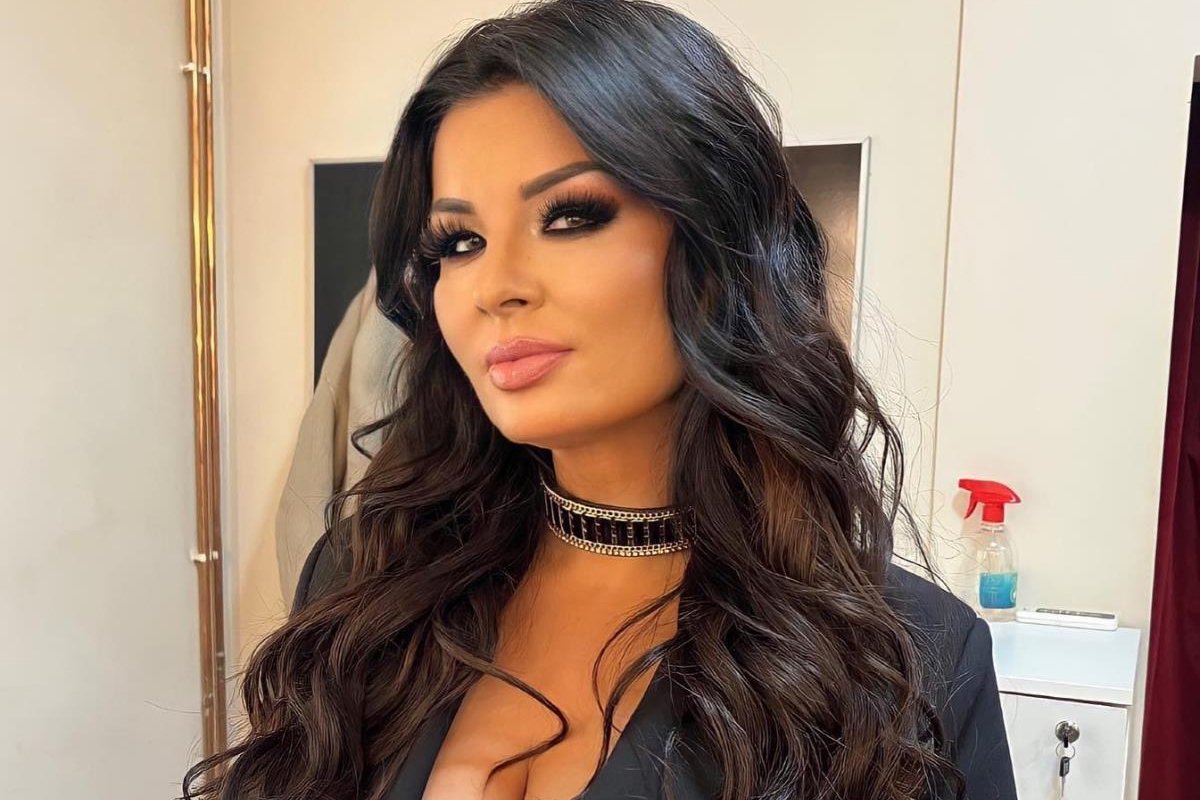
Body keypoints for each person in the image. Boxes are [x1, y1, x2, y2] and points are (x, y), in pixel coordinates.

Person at [182, 1, 1018, 798]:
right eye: (459, 243)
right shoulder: (366, 581)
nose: (494, 287)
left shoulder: (906, 662)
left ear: (715, 244)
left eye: (570, 217)